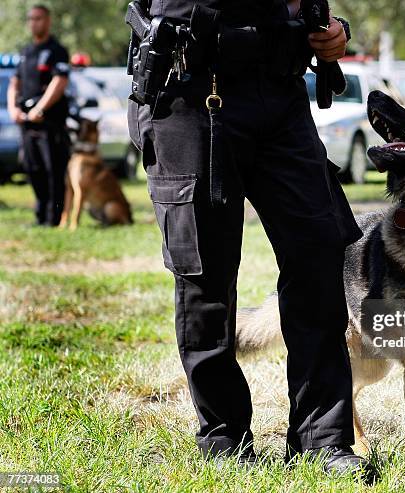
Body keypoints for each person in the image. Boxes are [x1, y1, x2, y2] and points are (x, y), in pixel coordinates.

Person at [126, 0, 372, 479]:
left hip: (279, 89)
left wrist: (330, 27)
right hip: (190, 88)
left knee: (319, 255)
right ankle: (226, 442)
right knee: (205, 275)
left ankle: (322, 441)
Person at [7, 4, 71, 226]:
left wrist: (40, 108)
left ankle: (54, 219)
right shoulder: (26, 52)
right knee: (33, 170)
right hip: (27, 125)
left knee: (53, 170)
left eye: (39, 19)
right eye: (31, 19)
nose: (34, 23)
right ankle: (40, 216)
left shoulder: (56, 50)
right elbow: (15, 83)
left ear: (48, 21)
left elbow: (60, 81)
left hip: (49, 123)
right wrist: (13, 108)